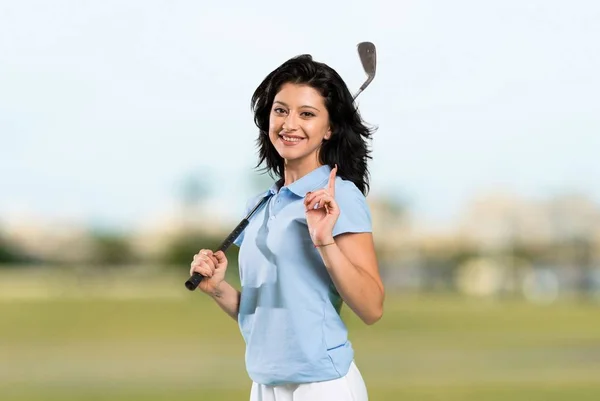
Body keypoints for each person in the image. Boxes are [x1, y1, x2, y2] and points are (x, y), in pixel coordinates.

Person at [189, 54, 385, 401]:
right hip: (265, 386)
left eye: (306, 114)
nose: (289, 123)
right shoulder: (260, 205)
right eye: (281, 110)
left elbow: (371, 308)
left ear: (330, 128)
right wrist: (218, 289)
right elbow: (266, 319)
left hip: (324, 386)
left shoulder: (339, 197)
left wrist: (325, 241)